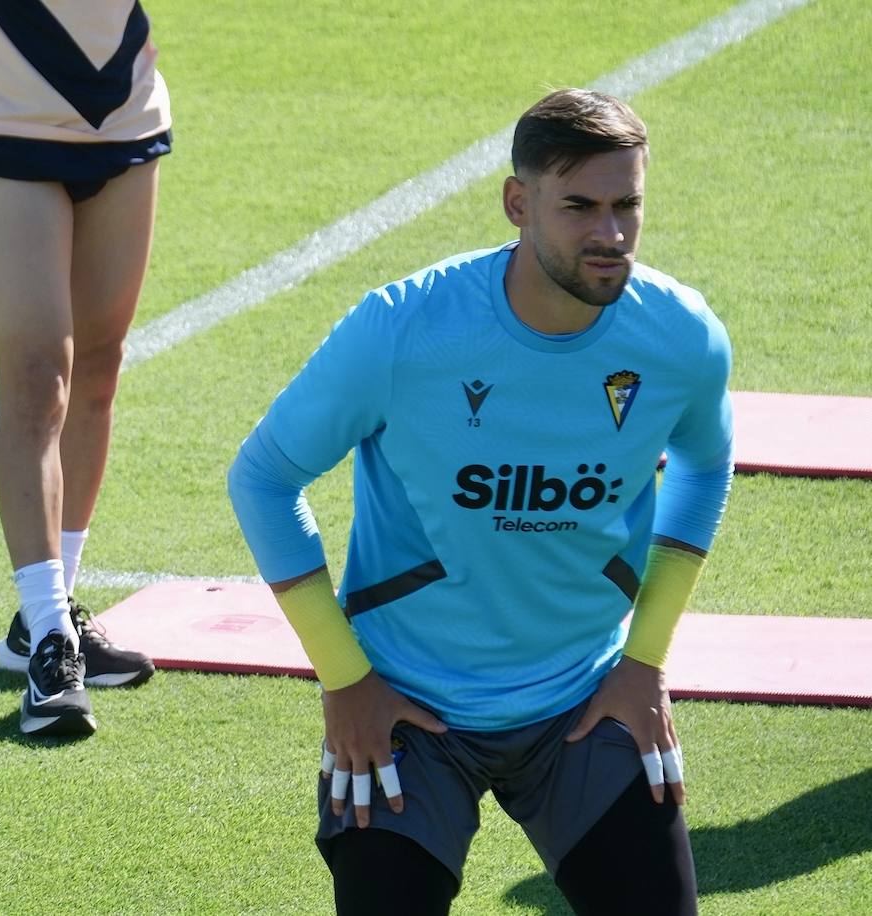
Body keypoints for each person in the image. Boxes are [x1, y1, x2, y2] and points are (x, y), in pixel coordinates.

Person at [229, 88, 732, 915]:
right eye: (579, 207)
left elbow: (707, 468)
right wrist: (343, 678)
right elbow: (263, 476)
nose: (609, 234)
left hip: (584, 695)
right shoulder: (405, 328)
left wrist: (644, 660)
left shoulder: (680, 337)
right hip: (404, 710)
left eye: (626, 205)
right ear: (517, 202)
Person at [0, 0, 171, 736]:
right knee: (38, 374)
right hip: (7, 117)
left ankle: (50, 613)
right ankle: (49, 642)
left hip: (126, 111)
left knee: (99, 366)